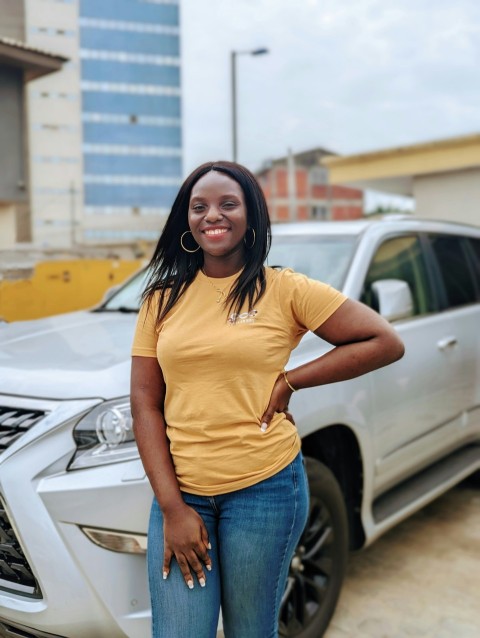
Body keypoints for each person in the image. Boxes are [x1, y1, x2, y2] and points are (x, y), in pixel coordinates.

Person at [130, 161, 404, 638]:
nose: (212, 215)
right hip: (182, 493)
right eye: (200, 206)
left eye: (227, 204)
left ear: (251, 217)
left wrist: (291, 380)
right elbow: (143, 402)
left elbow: (383, 340)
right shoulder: (162, 298)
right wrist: (172, 508)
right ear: (187, 221)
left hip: (265, 491)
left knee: (250, 632)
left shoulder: (284, 289)